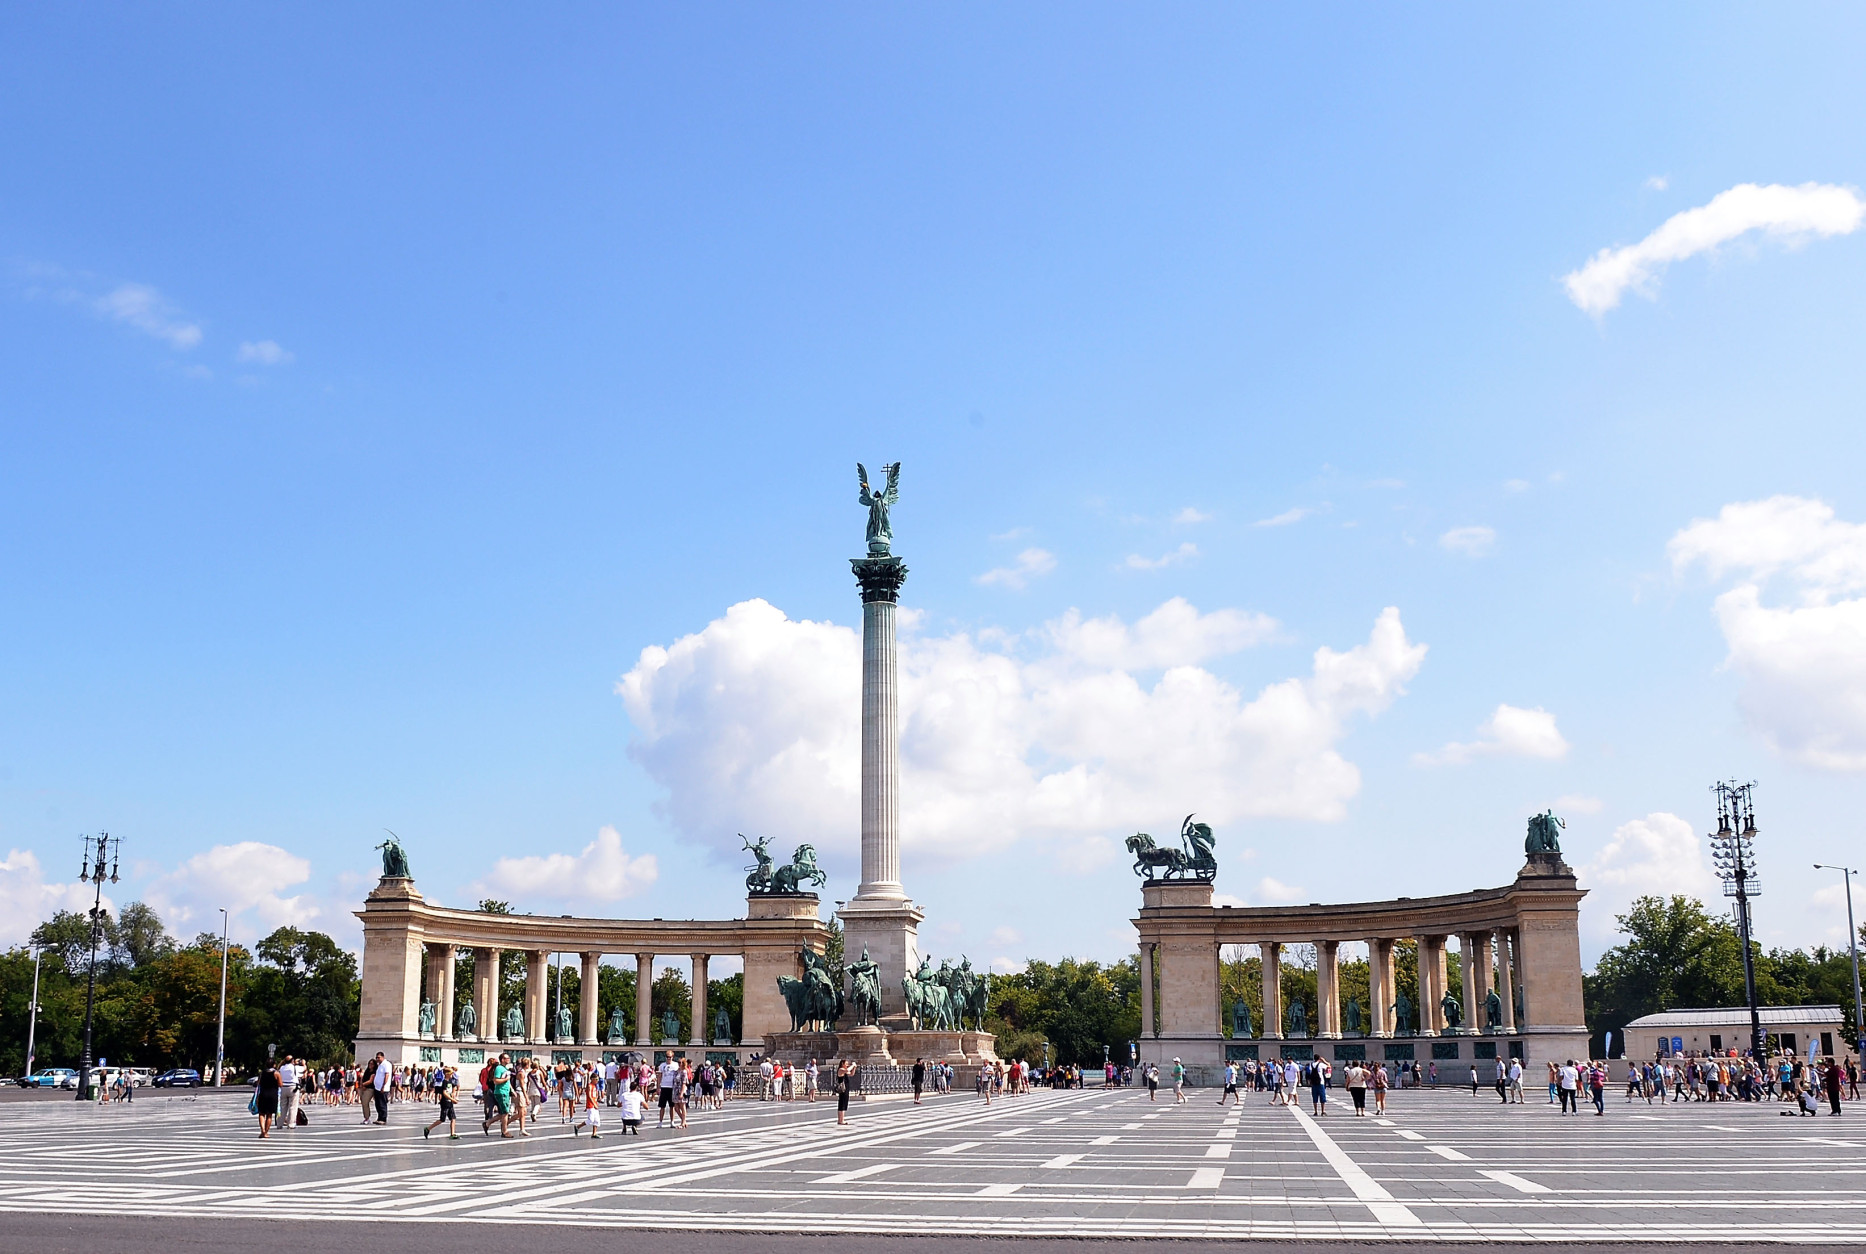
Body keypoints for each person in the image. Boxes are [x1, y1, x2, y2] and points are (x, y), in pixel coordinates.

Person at [424, 1066, 459, 1140]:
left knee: (453, 1118)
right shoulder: (444, 1082)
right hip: (445, 1102)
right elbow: (444, 1093)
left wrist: (453, 1095)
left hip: (449, 1102)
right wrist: (452, 1099)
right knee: (442, 1119)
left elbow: (450, 1091)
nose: (452, 1075)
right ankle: (428, 1128)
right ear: (447, 1074)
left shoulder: (450, 1081)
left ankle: (452, 1133)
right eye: (451, 1073)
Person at [255, 1060, 281, 1139]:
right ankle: (266, 1132)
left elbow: (258, 1083)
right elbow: (280, 1084)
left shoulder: (262, 1073)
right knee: (269, 1114)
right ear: (274, 1065)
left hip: (263, 1094)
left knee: (261, 1113)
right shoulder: (276, 1073)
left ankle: (262, 1130)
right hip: (272, 1095)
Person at [370, 1053, 391, 1125]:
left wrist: (383, 1086)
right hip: (377, 1088)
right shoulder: (380, 1065)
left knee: (382, 1104)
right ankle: (379, 1118)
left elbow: (387, 1075)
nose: (377, 1059)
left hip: (383, 1088)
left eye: (378, 1057)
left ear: (383, 1057)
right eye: (376, 1058)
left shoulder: (386, 1064)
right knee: (378, 1104)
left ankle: (383, 1119)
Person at [835, 1060, 853, 1126]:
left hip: (846, 1089)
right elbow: (847, 1070)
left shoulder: (845, 1070)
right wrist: (852, 1065)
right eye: (846, 1064)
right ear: (842, 1064)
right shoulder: (841, 1069)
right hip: (842, 1089)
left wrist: (854, 1068)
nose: (847, 1065)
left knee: (844, 1103)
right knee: (841, 1104)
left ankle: (841, 1119)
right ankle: (841, 1120)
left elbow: (851, 1073)